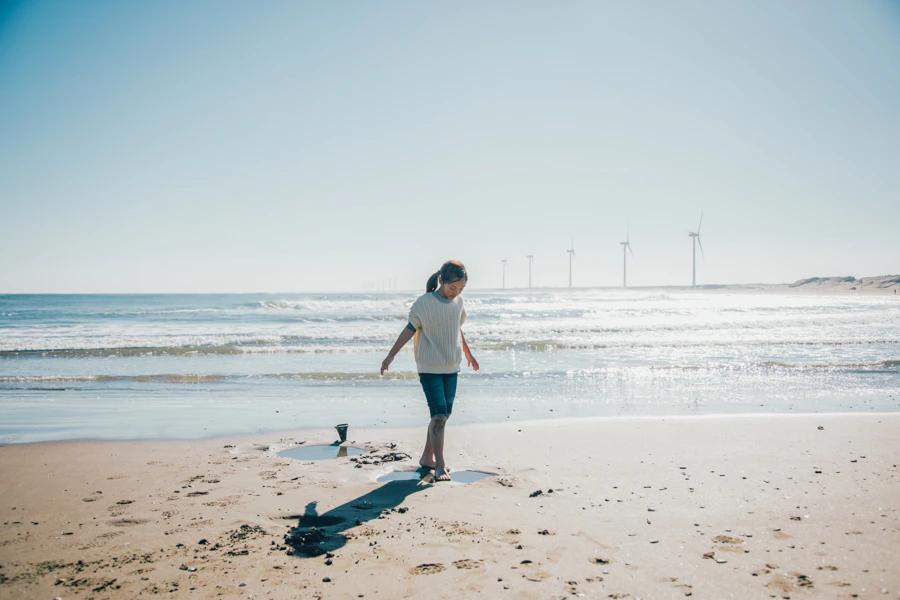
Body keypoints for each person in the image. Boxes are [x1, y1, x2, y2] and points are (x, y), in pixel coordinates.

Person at [381, 260, 479, 482]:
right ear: (441, 281)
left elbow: (457, 329)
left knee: (443, 416)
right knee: (439, 416)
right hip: (429, 368)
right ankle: (440, 465)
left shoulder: (459, 303)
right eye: (453, 287)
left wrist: (468, 354)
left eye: (461, 288)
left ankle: (427, 457)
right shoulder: (424, 303)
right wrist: (390, 355)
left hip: (452, 367)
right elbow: (409, 330)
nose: (456, 293)